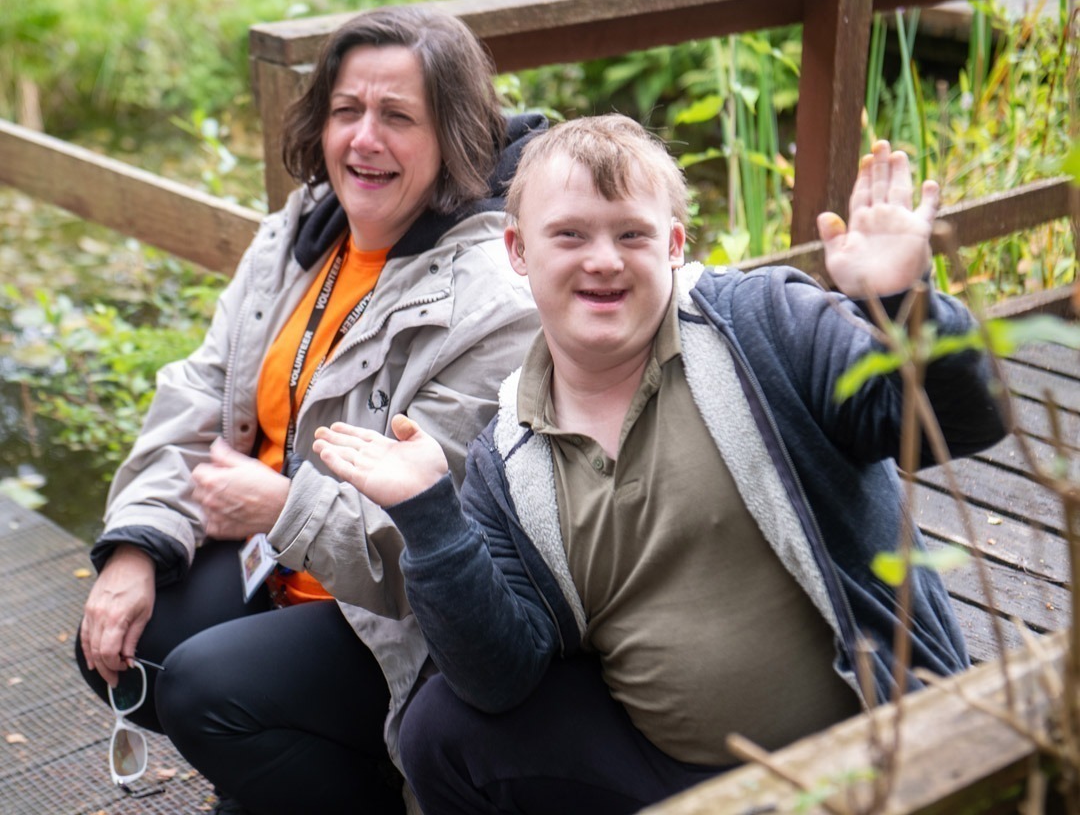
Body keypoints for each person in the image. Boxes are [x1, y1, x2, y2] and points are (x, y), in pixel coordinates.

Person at [312, 115, 1007, 814]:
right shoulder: (508, 454)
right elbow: (499, 676)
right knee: (441, 730)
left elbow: (960, 423)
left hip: (880, 757)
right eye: (571, 235)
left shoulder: (761, 324)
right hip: (678, 782)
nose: (604, 260)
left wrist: (902, 305)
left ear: (673, 244)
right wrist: (431, 515)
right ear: (518, 251)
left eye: (632, 234)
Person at [75, 5, 542, 815]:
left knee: (200, 689)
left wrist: (286, 506)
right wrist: (140, 545)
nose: (365, 139)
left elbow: (432, 533)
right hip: (277, 559)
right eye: (346, 111)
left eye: (398, 117)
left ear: (455, 137)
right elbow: (196, 393)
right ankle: (287, 775)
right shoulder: (299, 234)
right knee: (117, 646)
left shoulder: (492, 299)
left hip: (389, 619)